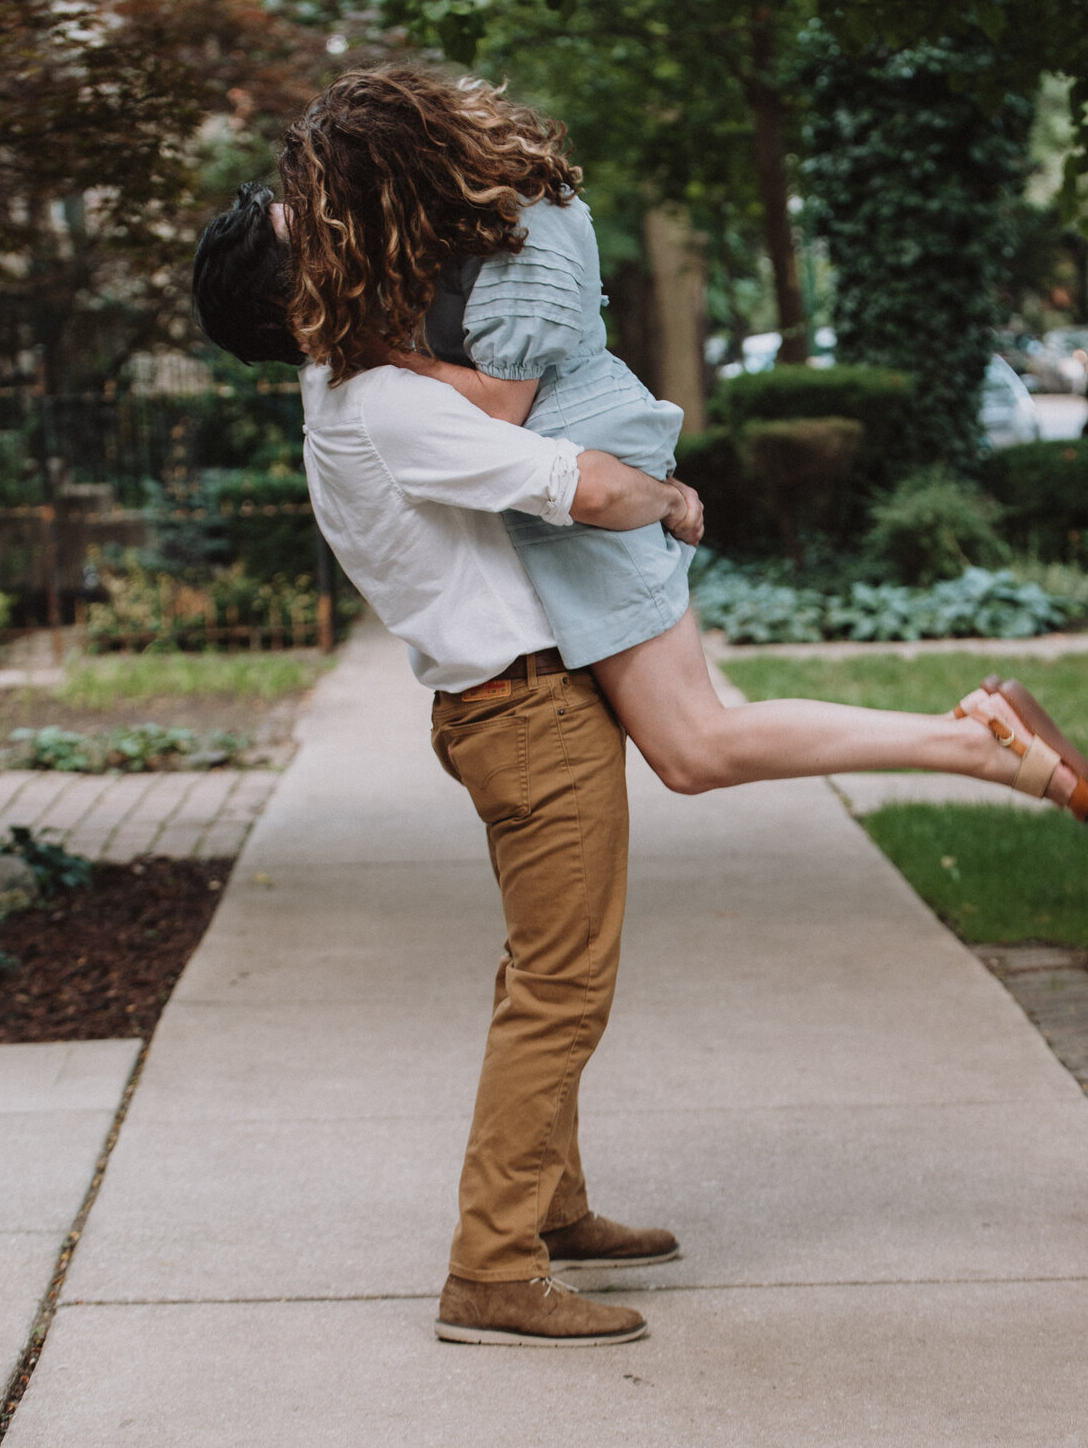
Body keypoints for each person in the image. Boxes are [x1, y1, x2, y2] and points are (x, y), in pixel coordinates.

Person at [275, 64, 1088, 837]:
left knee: (695, 746)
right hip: (569, 486)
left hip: (584, 487)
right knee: (691, 748)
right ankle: (974, 740)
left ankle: (979, 744)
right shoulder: (484, 220)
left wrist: (369, 351)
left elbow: (500, 405)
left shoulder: (526, 232)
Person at [194, 183, 700, 1350]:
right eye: (303, 232)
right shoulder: (387, 402)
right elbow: (584, 485)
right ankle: (492, 1267)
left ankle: (554, 1205)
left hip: (506, 703)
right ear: (307, 293)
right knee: (563, 987)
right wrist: (670, 495)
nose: (331, 223)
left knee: (541, 969)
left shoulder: (351, 390)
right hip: (527, 709)